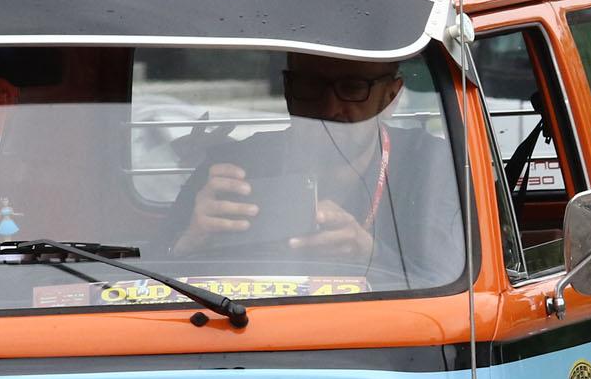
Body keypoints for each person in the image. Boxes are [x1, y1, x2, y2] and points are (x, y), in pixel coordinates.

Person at [170, 53, 460, 282]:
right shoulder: (232, 166)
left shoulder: (431, 165)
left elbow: (455, 292)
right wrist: (190, 240)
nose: (330, 108)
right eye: (311, 86)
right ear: (288, 91)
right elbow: (144, 277)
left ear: (391, 97)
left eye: (353, 88)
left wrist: (369, 255)